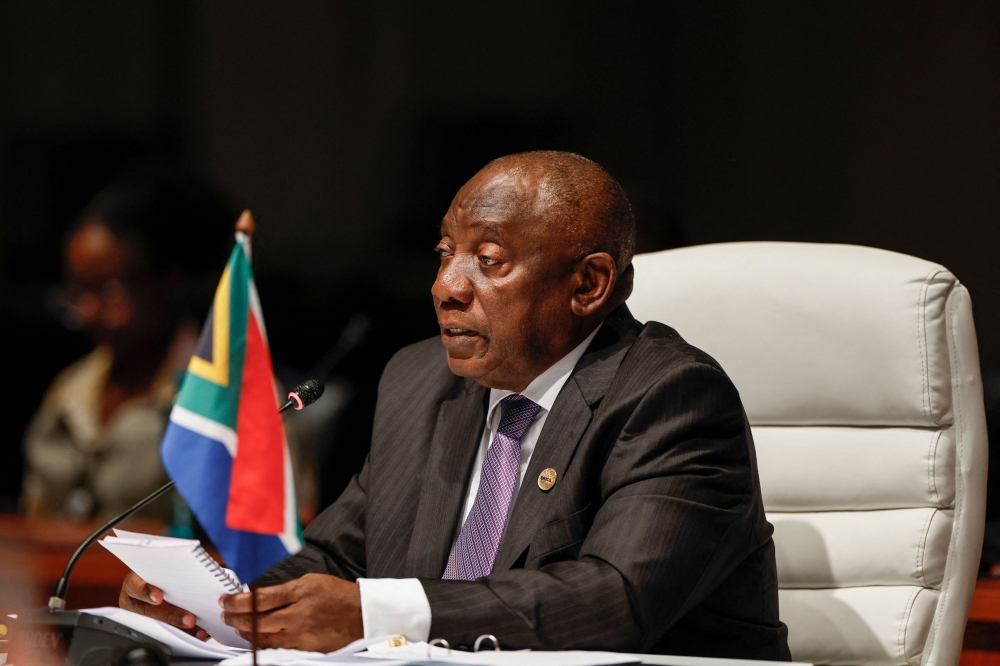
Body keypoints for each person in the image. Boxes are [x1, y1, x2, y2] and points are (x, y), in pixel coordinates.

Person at [120, 151, 790, 658]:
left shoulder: (671, 399)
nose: (445, 285)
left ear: (587, 284)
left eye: (489, 261)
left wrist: (373, 614)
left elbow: (613, 600)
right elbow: (338, 561)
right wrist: (213, 602)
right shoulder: (423, 382)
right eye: (445, 254)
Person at [21, 168, 233, 519]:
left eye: (110, 291)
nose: (88, 312)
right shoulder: (70, 390)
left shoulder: (224, 395)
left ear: (168, 281)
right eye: (77, 293)